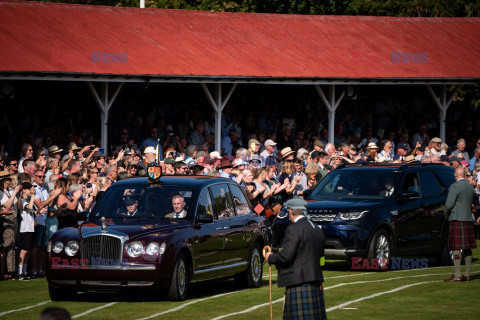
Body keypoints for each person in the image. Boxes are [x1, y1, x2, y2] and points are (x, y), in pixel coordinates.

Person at [265, 198, 327, 320]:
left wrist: (271, 257)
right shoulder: (316, 228)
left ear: (291, 211)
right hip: (315, 280)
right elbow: (316, 256)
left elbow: (287, 256)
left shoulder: (294, 228)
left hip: (299, 281)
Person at [444, 167, 477, 282]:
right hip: (468, 219)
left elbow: (448, 205)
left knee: (456, 247)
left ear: (455, 174)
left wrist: (446, 215)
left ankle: (457, 275)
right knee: (468, 248)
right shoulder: (469, 186)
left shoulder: (455, 186)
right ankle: (467, 275)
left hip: (457, 219)